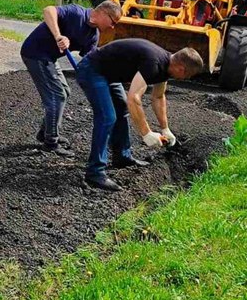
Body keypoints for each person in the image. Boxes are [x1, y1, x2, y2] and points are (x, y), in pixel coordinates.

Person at [76, 38, 205, 191]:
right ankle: (95, 172)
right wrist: (146, 133)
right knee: (107, 117)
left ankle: (122, 157)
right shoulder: (153, 63)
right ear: (182, 69)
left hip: (109, 74)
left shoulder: (166, 66)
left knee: (121, 108)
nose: (187, 79)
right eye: (188, 75)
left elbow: (158, 97)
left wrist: (165, 129)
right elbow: (134, 98)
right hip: (92, 70)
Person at [20, 1, 122, 156]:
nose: (112, 27)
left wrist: (99, 81)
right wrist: (58, 36)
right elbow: (48, 10)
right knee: (56, 96)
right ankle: (50, 142)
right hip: (35, 53)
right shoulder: (76, 13)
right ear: (104, 13)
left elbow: (89, 62)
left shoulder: (93, 36)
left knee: (65, 92)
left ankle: (46, 132)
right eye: (113, 22)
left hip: (50, 58)